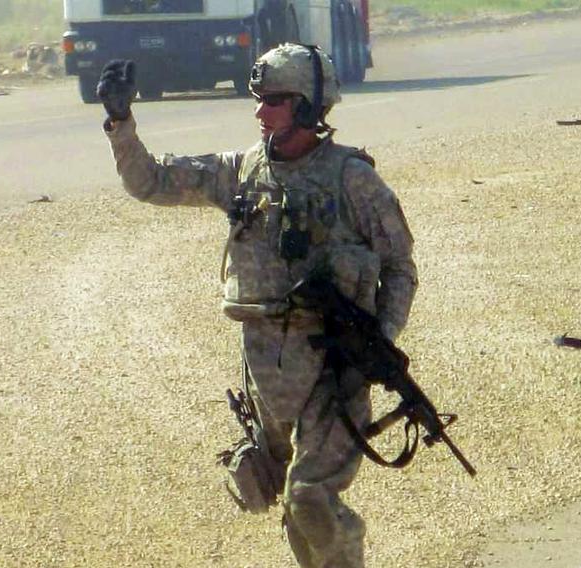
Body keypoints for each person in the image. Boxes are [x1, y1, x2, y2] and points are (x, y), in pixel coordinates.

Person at [97, 44, 417, 568]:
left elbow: (400, 267)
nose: (259, 113)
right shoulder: (241, 171)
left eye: (273, 102)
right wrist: (120, 121)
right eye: (258, 100)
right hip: (266, 370)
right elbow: (150, 181)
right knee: (293, 510)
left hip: (333, 369)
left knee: (310, 498)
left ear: (308, 108)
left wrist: (378, 341)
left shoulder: (352, 180)